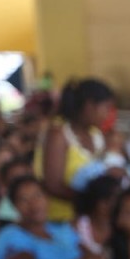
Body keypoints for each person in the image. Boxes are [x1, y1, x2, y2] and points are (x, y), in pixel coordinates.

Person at [35, 78, 114, 222]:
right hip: (60, 219)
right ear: (90, 106)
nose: (108, 114)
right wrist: (92, 201)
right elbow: (52, 185)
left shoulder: (96, 135)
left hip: (86, 220)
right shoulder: (59, 134)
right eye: (106, 108)